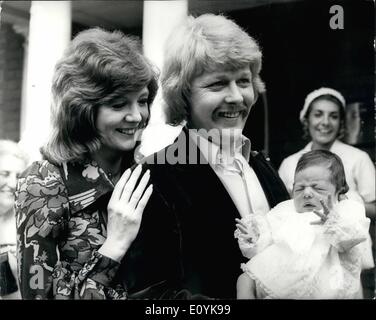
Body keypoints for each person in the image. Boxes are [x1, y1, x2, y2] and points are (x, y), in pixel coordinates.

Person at [119, 14, 290, 299]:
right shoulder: (155, 176)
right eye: (218, 84)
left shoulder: (261, 166)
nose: (236, 97)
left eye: (244, 81)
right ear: (183, 95)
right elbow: (149, 296)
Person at [14, 28, 157, 299]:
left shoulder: (146, 173)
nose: (137, 116)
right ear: (81, 109)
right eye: (118, 104)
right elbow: (38, 297)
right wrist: (113, 246)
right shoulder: (43, 183)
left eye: (143, 101)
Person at [236, 150, 372, 299]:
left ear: (338, 191)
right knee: (244, 280)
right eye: (299, 188)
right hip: (281, 278)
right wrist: (255, 238)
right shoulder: (286, 210)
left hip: (324, 284)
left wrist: (333, 222)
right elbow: (268, 238)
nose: (307, 193)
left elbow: (352, 238)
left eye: (317, 188)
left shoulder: (346, 209)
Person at [278, 87, 375, 219]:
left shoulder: (358, 158)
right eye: (318, 114)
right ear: (307, 119)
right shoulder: (289, 163)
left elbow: (374, 208)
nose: (325, 122)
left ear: (341, 122)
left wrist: (343, 206)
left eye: (333, 116)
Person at [0, 140, 28, 299]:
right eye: (4, 174)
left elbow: (9, 293)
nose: (12, 184)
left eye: (18, 176)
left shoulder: (26, 225)